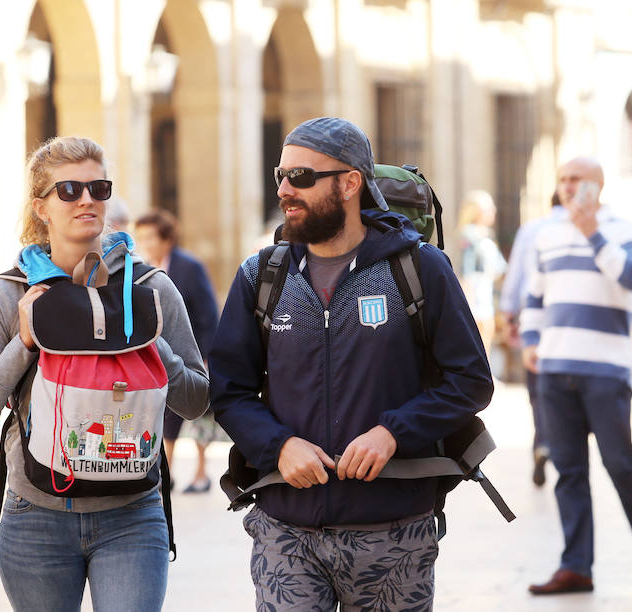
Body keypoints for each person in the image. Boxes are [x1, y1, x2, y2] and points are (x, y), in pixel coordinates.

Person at [209, 117, 493, 611]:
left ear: (349, 183)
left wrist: (393, 433)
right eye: (280, 175)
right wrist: (279, 446)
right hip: (285, 531)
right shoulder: (262, 276)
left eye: (301, 177)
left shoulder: (420, 268)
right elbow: (229, 391)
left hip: (395, 534)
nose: (284, 189)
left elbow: (470, 382)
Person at [0, 136, 209, 611]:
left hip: (132, 514)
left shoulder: (151, 288)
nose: (87, 199)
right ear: (41, 207)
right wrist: (24, 342)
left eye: (98, 188)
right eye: (69, 190)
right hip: (35, 516)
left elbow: (195, 401)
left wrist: (151, 340)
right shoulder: (7, 294)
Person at [523, 157, 632, 594]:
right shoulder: (546, 234)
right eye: (564, 179)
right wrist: (531, 340)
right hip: (554, 369)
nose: (569, 186)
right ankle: (576, 567)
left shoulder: (624, 231)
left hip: (605, 369)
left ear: (598, 185)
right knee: (568, 470)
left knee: (620, 463)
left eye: (578, 179)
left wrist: (592, 232)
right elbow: (535, 295)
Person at [134, 210, 220, 494]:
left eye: (150, 237)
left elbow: (208, 314)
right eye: (141, 237)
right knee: (166, 415)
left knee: (200, 417)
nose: (145, 242)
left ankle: (201, 473)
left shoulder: (189, 267)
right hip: (160, 357)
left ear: (167, 238)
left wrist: (206, 357)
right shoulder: (141, 268)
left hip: (194, 351)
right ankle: (166, 472)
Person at [498, 191, 564, 486]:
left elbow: (516, 277)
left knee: (538, 389)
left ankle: (543, 442)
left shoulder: (531, 230)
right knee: (565, 387)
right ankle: (559, 444)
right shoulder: (580, 229)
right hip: (566, 319)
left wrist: (509, 315)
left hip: (534, 317)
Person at [456, 190, 506, 364]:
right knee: (479, 335)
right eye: (488, 208)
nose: (493, 212)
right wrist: (468, 302)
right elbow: (467, 271)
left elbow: (499, 267)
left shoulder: (487, 235)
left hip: (487, 289)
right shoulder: (469, 234)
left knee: (488, 334)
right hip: (475, 291)